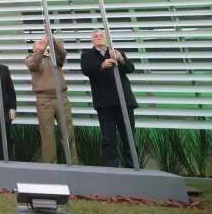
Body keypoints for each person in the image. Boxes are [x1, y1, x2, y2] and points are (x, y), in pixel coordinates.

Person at [80, 29, 139, 168]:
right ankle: (112, 168)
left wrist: (121, 60)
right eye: (96, 36)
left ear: (107, 39)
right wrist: (101, 66)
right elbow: (86, 71)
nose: (99, 38)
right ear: (92, 41)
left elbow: (131, 68)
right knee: (108, 138)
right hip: (104, 102)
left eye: (102, 36)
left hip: (124, 100)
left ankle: (133, 167)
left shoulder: (116, 53)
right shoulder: (87, 56)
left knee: (128, 136)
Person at [26, 26, 78, 164]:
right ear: (34, 49)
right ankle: (51, 167)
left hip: (62, 98)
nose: (42, 44)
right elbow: (33, 65)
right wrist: (41, 50)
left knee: (68, 133)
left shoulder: (56, 59)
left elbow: (62, 52)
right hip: (44, 101)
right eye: (38, 44)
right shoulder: (31, 59)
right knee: (48, 136)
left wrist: (50, 35)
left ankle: (72, 164)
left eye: (44, 44)